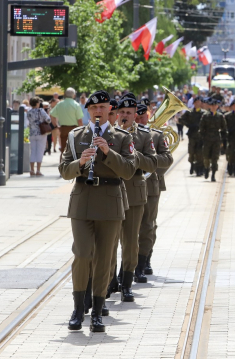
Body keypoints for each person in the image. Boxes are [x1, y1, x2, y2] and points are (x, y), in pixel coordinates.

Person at [58, 91, 136, 332]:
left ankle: (98, 311)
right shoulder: (76, 136)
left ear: (109, 109)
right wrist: (80, 163)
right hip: (82, 202)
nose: (98, 112)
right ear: (88, 111)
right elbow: (64, 170)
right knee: (82, 254)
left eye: (102, 107)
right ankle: (78, 309)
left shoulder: (121, 137)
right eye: (94, 108)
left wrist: (108, 153)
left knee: (104, 258)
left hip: (110, 202)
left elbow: (129, 170)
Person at [111, 94, 157, 303]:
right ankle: (110, 278)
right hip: (111, 192)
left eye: (129, 113)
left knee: (130, 242)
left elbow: (153, 164)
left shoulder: (144, 136)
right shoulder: (109, 134)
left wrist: (134, 155)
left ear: (135, 115)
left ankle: (127, 282)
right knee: (110, 242)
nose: (125, 116)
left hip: (134, 194)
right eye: (122, 112)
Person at [135, 103, 173, 282]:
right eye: (136, 117)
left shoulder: (156, 135)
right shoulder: (122, 135)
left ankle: (144, 260)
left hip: (150, 186)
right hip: (128, 185)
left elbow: (167, 159)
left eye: (142, 117)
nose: (139, 120)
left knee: (148, 226)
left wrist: (149, 160)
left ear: (148, 117)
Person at [199, 98, 227, 181]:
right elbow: (201, 128)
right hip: (207, 139)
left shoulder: (220, 116)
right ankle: (207, 168)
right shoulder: (205, 115)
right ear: (210, 106)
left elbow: (224, 128)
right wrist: (202, 138)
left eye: (215, 105)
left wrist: (224, 140)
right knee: (206, 157)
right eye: (212, 105)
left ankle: (213, 174)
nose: (214, 107)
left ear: (217, 106)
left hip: (216, 140)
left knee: (215, 158)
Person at [51, 88, 84, 153]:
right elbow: (79, 120)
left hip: (63, 128)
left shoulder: (60, 104)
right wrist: (82, 130)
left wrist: (56, 125)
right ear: (74, 95)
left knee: (63, 149)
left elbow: (52, 115)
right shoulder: (76, 104)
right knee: (73, 149)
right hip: (74, 129)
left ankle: (63, 159)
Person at [179, 97, 205, 176]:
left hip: (201, 136)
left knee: (200, 152)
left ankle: (199, 169)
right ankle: (192, 164)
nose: (198, 104)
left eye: (199, 102)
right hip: (192, 135)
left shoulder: (204, 113)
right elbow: (181, 119)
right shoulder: (189, 112)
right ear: (194, 103)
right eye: (196, 102)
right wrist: (188, 125)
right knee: (191, 151)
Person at [26, 97, 51, 176]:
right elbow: (48, 120)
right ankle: (38, 170)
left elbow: (28, 122)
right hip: (41, 133)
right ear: (37, 103)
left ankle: (32, 170)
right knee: (40, 151)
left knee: (33, 151)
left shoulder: (29, 112)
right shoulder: (41, 110)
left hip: (32, 133)